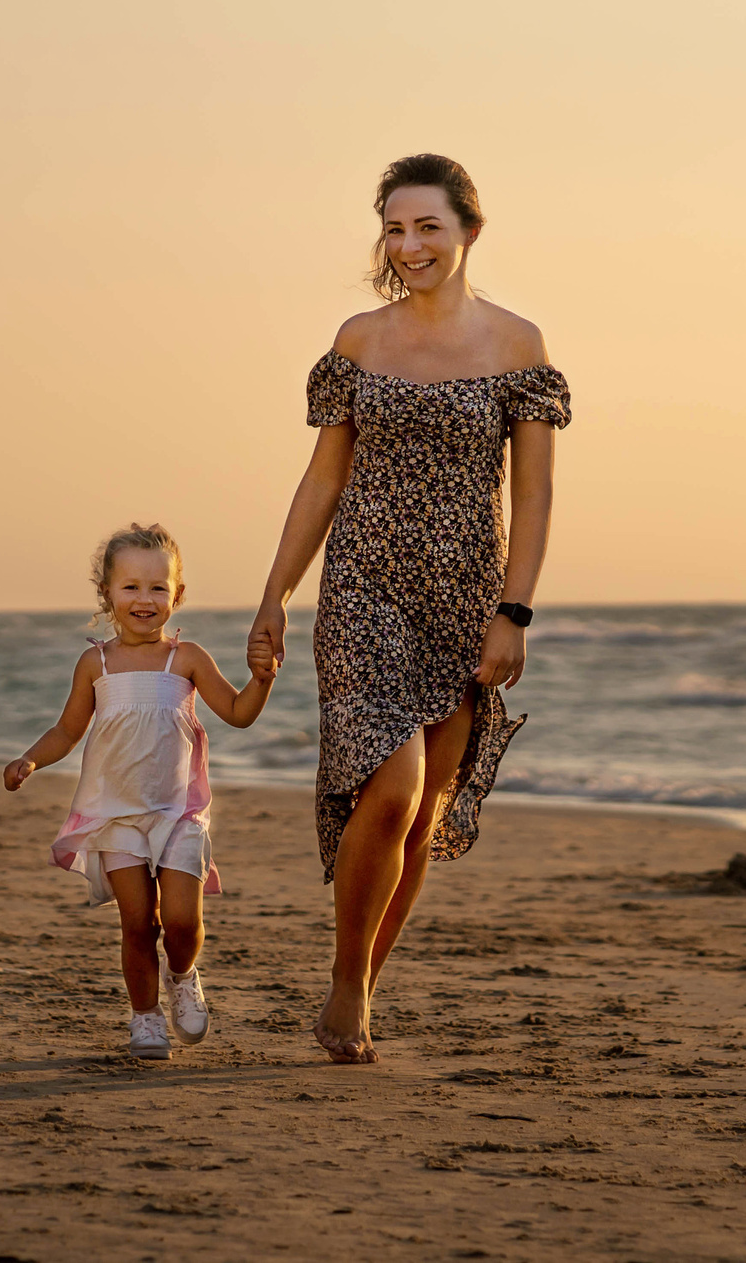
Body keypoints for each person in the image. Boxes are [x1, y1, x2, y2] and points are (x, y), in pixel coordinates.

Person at [247, 153, 569, 1064]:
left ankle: (363, 984)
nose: (410, 244)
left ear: (469, 229)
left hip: (465, 595)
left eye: (427, 226)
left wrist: (515, 611)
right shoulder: (358, 341)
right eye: (395, 227)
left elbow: (536, 496)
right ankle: (348, 977)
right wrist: (274, 593)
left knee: (423, 809)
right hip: (363, 585)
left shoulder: (518, 346)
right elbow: (322, 479)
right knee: (387, 791)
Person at [4, 523, 274, 1059]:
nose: (144, 599)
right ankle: (145, 1018)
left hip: (179, 814)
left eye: (157, 588)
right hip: (116, 817)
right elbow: (66, 731)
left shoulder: (188, 658)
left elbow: (239, 715)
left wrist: (262, 679)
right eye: (130, 587)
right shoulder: (95, 663)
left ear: (177, 594)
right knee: (137, 923)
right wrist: (31, 758)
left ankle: (183, 974)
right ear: (107, 594)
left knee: (180, 922)